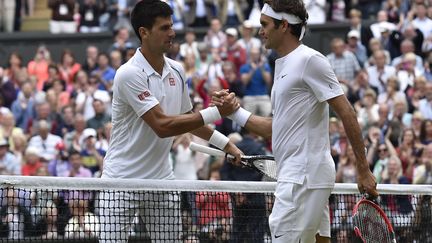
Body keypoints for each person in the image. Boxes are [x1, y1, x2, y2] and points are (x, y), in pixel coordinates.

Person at [213, 1, 378, 242]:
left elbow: (347, 113)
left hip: (303, 177)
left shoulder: (310, 60)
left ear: (284, 26)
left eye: (264, 24)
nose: (261, 31)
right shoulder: (282, 64)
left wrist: (363, 170)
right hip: (301, 176)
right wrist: (234, 112)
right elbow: (275, 127)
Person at [99, 1, 242, 243]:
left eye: (172, 26)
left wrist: (225, 144)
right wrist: (217, 112)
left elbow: (189, 120)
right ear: (144, 32)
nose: (172, 33)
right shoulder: (128, 73)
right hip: (120, 181)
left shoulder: (177, 70)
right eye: (164, 28)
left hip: (161, 180)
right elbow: (163, 126)